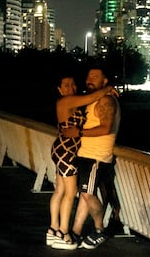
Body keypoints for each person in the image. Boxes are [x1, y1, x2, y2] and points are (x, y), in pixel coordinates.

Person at [47, 74, 118, 250]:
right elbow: (91, 97)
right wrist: (107, 88)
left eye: (73, 84)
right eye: (66, 85)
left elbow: (91, 100)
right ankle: (63, 233)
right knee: (70, 193)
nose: (70, 88)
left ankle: (53, 229)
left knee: (60, 191)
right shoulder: (65, 102)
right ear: (59, 89)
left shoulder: (73, 102)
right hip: (67, 152)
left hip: (63, 150)